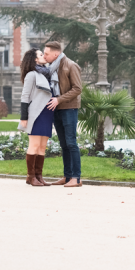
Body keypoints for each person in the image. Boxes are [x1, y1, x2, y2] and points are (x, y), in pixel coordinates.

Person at [42, 40, 83, 187]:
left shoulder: (70, 65)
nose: (44, 56)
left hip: (69, 108)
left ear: (56, 53)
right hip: (57, 109)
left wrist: (59, 100)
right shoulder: (52, 67)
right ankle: (67, 176)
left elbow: (77, 88)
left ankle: (76, 178)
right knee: (64, 144)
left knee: (71, 143)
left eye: (47, 53)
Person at [18, 48, 55, 187]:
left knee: (42, 147)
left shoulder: (48, 74)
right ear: (35, 59)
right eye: (41, 54)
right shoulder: (31, 75)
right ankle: (30, 176)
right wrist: (24, 116)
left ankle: (39, 176)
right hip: (36, 113)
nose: (44, 56)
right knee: (34, 145)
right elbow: (25, 96)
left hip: (47, 113)